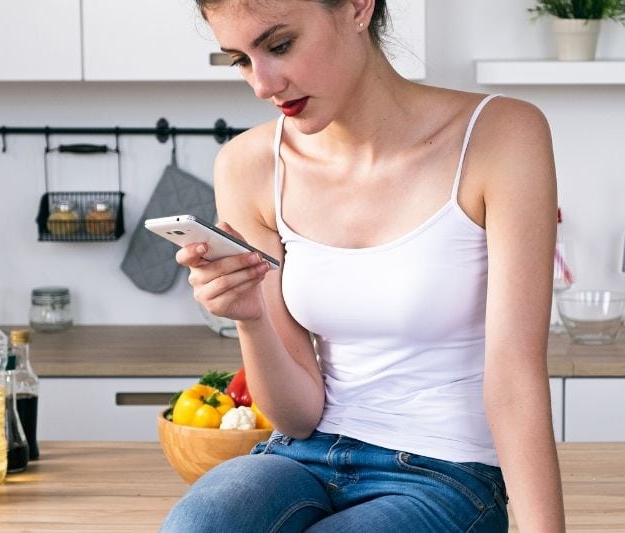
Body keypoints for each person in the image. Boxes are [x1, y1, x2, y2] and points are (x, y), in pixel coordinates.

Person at [162, 0, 565, 531]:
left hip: (448, 474)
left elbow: (515, 378)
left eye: (279, 46)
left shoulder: (501, 136)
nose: (261, 84)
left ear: (356, 8)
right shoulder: (249, 165)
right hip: (300, 456)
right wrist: (249, 316)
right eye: (239, 59)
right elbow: (297, 414)